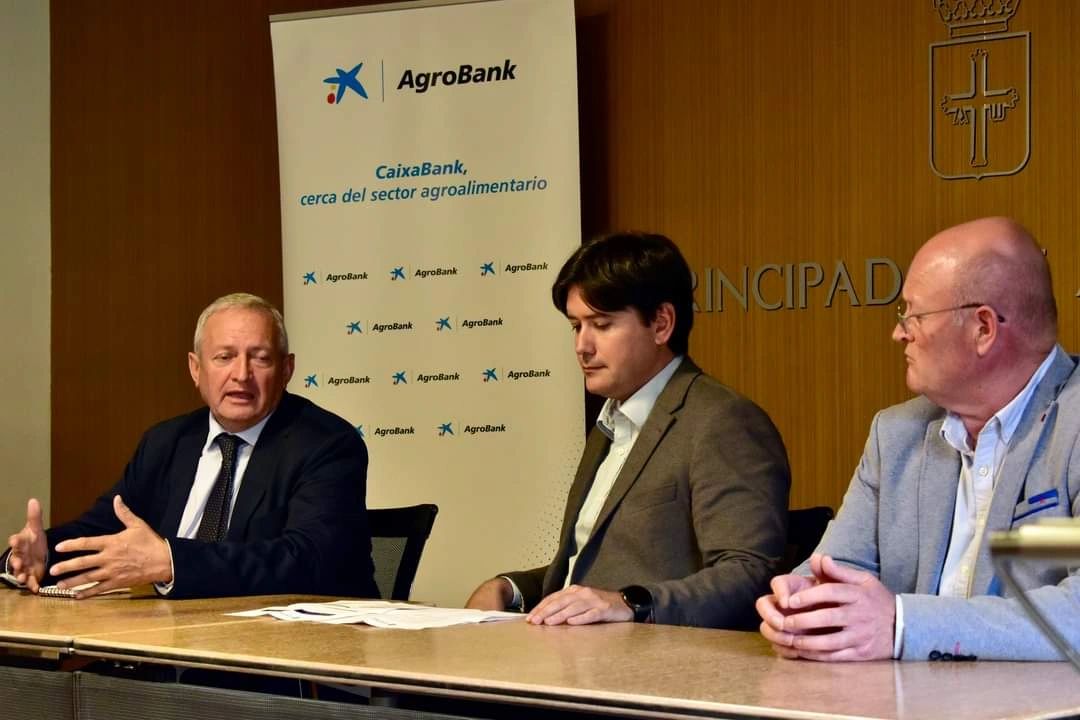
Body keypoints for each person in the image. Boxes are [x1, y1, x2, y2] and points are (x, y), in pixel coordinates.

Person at [757, 216, 1080, 661]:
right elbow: (839, 567)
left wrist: (904, 624)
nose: (898, 332)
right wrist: (803, 605)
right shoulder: (895, 434)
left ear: (983, 328)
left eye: (914, 314)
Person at [466, 232, 790, 628]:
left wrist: (631, 603)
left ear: (661, 324)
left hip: (657, 660)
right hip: (571, 651)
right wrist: (511, 588)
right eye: (575, 326)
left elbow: (748, 574)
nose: (582, 346)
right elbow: (591, 571)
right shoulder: (610, 422)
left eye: (601, 325)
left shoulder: (722, 422)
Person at [4, 292, 377, 600]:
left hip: (286, 654)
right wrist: (42, 555)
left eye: (260, 358)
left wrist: (171, 563)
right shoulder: (167, 442)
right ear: (196, 369)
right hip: (170, 641)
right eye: (224, 357)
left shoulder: (327, 444)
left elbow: (308, 559)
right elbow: (106, 531)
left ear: (287, 370)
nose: (242, 374)